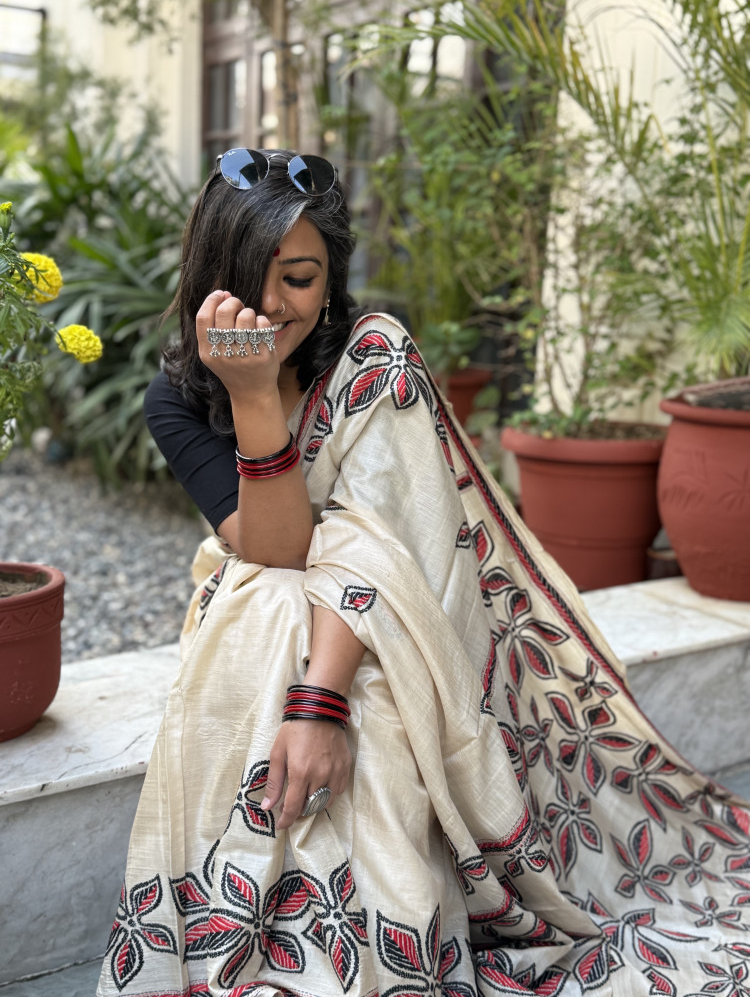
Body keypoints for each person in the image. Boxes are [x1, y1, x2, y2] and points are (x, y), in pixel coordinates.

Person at [97, 148, 750, 997]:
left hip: (413, 608)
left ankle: (361, 944)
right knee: (269, 597)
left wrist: (320, 703)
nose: (271, 303)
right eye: (250, 276)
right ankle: (282, 924)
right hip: (284, 605)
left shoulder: (374, 357)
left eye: (299, 277)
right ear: (206, 277)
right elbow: (276, 546)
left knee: (361, 691)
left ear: (330, 283)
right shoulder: (179, 393)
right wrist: (253, 395)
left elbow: (391, 547)